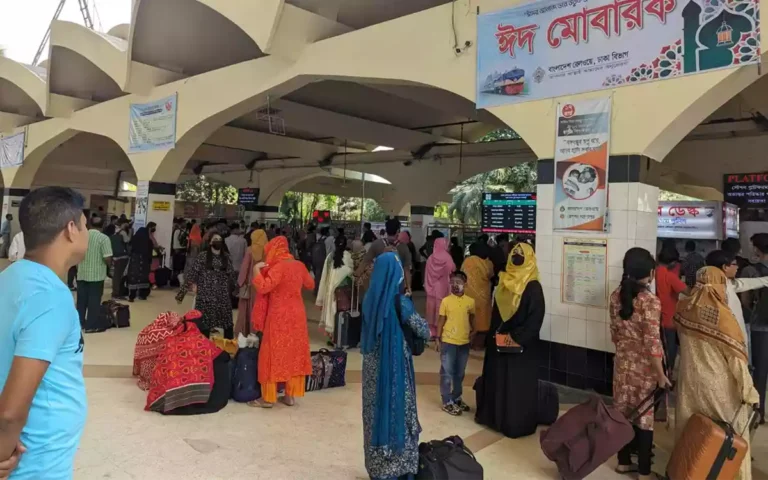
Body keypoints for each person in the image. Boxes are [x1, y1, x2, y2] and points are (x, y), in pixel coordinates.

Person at [0, 187, 89, 479]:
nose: (87, 232)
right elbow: (10, 413)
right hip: (35, 463)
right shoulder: (50, 296)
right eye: (86, 224)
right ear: (71, 229)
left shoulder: (9, 278)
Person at [675, 266, 759, 480]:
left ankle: (689, 473)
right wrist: (749, 392)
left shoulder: (683, 307)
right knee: (730, 433)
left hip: (690, 384)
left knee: (692, 432)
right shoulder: (722, 317)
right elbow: (737, 362)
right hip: (719, 388)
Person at [361, 252, 430, 479]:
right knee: (399, 412)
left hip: (372, 370)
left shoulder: (370, 300)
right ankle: (398, 469)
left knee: (374, 414)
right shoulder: (400, 302)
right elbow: (424, 331)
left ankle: (377, 468)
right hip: (395, 369)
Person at [610, 247, 670, 480]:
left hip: (622, 364)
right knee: (644, 417)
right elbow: (653, 343)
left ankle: (623, 462)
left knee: (622, 411)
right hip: (645, 369)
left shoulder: (616, 295)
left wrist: (626, 350)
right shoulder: (650, 302)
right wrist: (660, 375)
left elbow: (614, 334)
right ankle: (644, 471)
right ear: (651, 273)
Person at [475, 242, 545, 439]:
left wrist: (507, 339)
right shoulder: (519, 284)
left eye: (518, 256)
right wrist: (510, 339)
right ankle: (505, 421)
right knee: (507, 385)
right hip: (512, 348)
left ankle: (504, 421)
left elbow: (529, 320)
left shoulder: (517, 284)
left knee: (507, 385)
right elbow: (530, 321)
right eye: (516, 255)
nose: (516, 258)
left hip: (508, 347)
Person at [249, 236, 314, 408]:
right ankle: (290, 396)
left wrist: (256, 271)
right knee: (293, 353)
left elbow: (264, 287)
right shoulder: (299, 265)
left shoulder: (278, 267)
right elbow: (310, 284)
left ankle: (268, 398)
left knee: (272, 353)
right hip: (298, 315)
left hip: (279, 316)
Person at [706, 249, 768, 364]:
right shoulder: (715, 289)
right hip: (727, 345)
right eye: (734, 264)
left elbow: (748, 283)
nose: (737, 267)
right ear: (725, 267)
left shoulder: (726, 284)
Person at [176, 232, 236, 339]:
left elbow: (232, 276)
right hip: (205, 296)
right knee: (204, 326)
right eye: (215, 239)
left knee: (227, 325)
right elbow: (191, 275)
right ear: (210, 242)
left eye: (219, 239)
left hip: (221, 297)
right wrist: (181, 294)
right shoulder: (202, 256)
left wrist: (237, 289)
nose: (217, 241)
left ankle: (228, 349)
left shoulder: (226, 257)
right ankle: (202, 349)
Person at [436, 271, 475, 416]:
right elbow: (441, 320)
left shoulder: (470, 302)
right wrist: (438, 338)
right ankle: (447, 401)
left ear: (465, 284)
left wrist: (474, 332)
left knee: (460, 372)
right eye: (452, 282)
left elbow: (472, 318)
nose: (455, 285)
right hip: (448, 341)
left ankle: (456, 397)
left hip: (464, 342)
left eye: (458, 282)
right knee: (446, 372)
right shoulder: (446, 301)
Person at [740, 233, 768, 423]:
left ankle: (759, 411)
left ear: (757, 249)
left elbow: (745, 299)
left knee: (760, 370)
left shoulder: (751, 271)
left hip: (760, 326)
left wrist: (754, 311)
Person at [654, 245, 689, 374]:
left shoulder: (652, 273)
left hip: (653, 318)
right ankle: (666, 377)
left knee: (656, 349)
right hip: (668, 319)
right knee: (669, 350)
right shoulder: (669, 276)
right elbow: (687, 292)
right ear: (673, 262)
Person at [76, 216, 113, 333]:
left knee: (81, 300)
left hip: (82, 273)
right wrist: (110, 266)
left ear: (89, 225)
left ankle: (79, 323)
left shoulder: (81, 237)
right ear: (103, 226)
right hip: (96, 276)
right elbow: (107, 257)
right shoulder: (103, 238)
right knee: (94, 300)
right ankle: (91, 325)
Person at [357, 218, 413, 293]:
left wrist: (356, 275)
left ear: (386, 230)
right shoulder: (403, 247)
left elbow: (365, 261)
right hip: (396, 286)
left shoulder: (376, 244)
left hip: (379, 284)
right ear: (398, 231)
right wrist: (408, 287)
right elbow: (406, 270)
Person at [316, 235, 353, 339]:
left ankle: (332, 337)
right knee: (341, 314)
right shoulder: (348, 256)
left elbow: (324, 276)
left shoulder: (329, 257)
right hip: (343, 291)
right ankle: (340, 338)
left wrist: (320, 299)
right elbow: (351, 272)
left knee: (332, 313)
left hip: (330, 291)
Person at [234, 228, 267, 337]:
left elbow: (244, 269)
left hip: (251, 285)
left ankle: (246, 332)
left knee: (248, 310)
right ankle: (259, 333)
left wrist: (240, 282)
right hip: (263, 285)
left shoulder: (250, 250)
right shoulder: (268, 251)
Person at [462, 242, 494, 349]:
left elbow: (462, 274)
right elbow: (490, 275)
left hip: (468, 294)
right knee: (482, 321)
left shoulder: (467, 261)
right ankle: (478, 345)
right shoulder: (488, 263)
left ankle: (467, 342)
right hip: (483, 296)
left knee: (468, 319)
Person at [424, 237, 455, 338]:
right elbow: (452, 269)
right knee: (441, 308)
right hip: (443, 287)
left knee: (431, 309)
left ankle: (432, 332)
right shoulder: (447, 258)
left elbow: (427, 274)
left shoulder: (430, 258)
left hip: (431, 288)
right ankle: (440, 332)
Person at [109, 220, 130, 300]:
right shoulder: (123, 232)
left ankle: (116, 291)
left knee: (116, 276)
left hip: (115, 257)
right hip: (122, 257)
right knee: (118, 276)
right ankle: (116, 293)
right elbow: (127, 240)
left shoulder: (113, 234)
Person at [171, 218, 188, 285]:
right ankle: (177, 282)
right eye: (184, 223)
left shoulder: (176, 230)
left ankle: (175, 281)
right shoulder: (180, 231)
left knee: (176, 267)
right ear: (181, 223)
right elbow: (183, 242)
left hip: (176, 250)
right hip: (180, 250)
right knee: (179, 267)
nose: (185, 224)